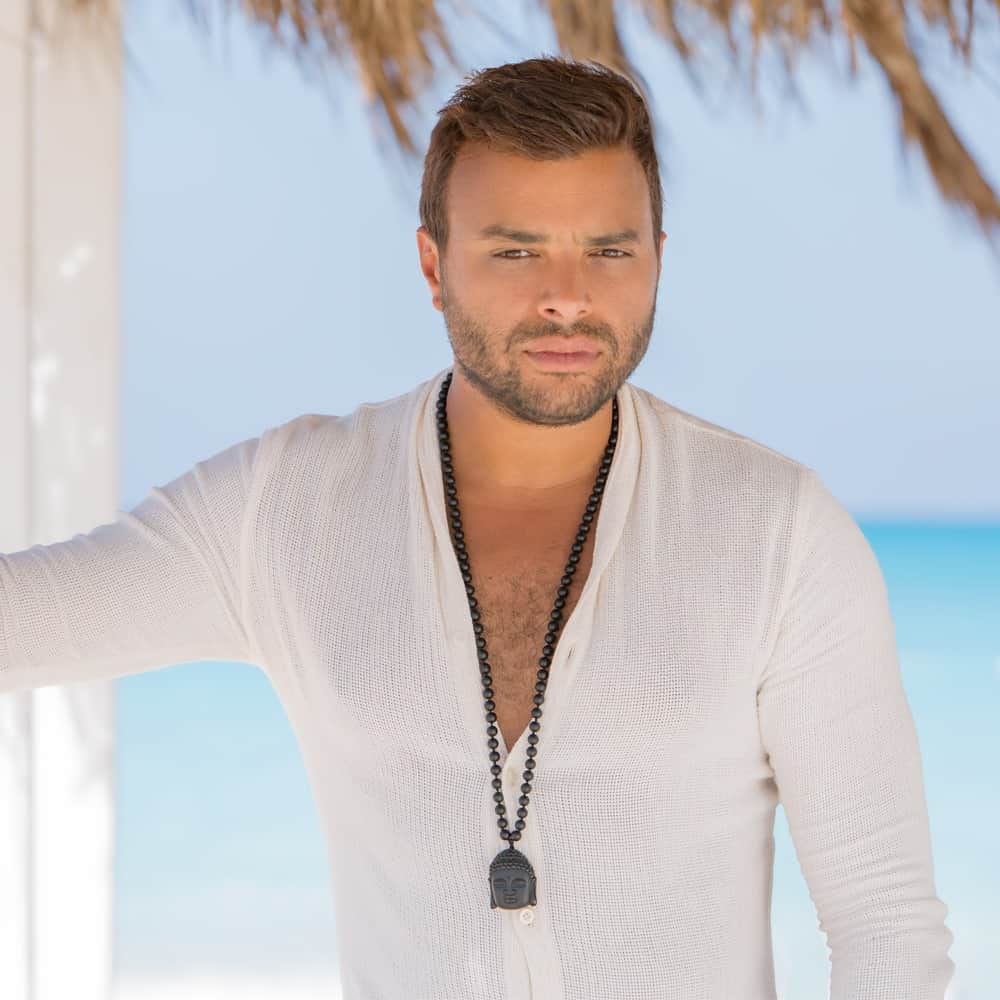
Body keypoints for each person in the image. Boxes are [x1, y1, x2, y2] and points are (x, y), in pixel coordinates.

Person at [0, 55, 955, 999]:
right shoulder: (285, 509)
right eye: (516, 251)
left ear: (659, 257)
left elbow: (885, 925)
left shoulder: (777, 534)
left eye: (609, 251)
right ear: (433, 265)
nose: (568, 295)